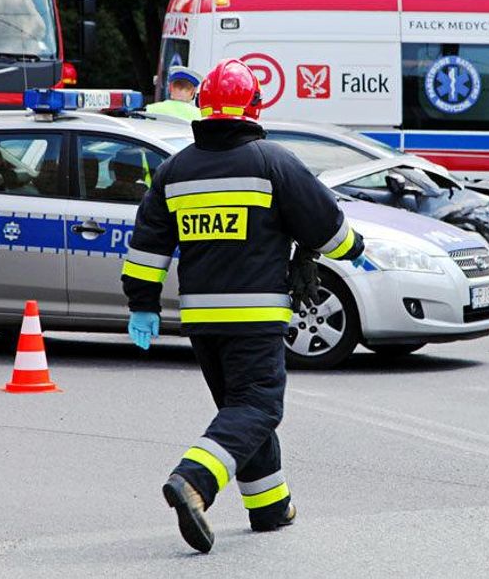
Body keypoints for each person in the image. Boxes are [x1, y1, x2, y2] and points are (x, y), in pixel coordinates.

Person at [121, 58, 365, 553]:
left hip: (202, 321)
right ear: (254, 110)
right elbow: (328, 228)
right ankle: (193, 481)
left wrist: (142, 303)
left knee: (241, 411)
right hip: (255, 315)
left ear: (204, 109)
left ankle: (270, 507)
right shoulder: (271, 160)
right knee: (257, 406)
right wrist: (354, 247)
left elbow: (147, 248)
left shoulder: (175, 169)